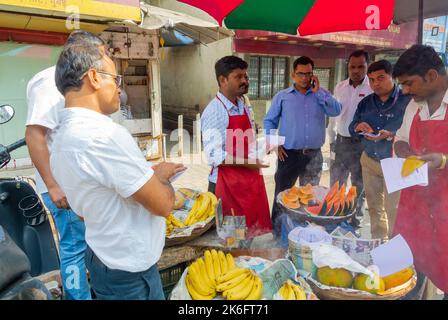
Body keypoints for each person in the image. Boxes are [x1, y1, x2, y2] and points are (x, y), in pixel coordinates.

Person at [50, 33, 184, 300]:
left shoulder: (58, 137)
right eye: (115, 78)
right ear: (94, 77)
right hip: (130, 276)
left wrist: (148, 176)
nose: (119, 89)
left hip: (102, 259)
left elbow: (86, 210)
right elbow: (163, 205)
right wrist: (164, 178)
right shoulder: (105, 135)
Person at [24, 30, 104, 300]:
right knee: (74, 247)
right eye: (100, 55)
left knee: (91, 245)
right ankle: (77, 297)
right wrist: (53, 186)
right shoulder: (48, 82)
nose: (102, 63)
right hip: (64, 188)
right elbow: (35, 134)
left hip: (83, 184)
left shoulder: (78, 83)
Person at [264, 56, 341, 239]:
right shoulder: (283, 97)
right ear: (293, 75)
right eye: (300, 74)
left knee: (310, 199)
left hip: (313, 156)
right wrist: (274, 144)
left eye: (308, 74)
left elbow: (336, 110)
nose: (305, 78)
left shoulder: (321, 95)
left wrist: (320, 92)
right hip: (288, 156)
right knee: (282, 197)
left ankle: (304, 235)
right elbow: (269, 120)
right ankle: (276, 234)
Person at [392, 45, 448, 298]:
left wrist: (444, 160)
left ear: (432, 76)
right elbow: (400, 139)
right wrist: (404, 150)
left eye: (409, 83)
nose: (405, 91)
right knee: (405, 274)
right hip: (414, 207)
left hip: (445, 209)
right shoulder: (414, 106)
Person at [201, 56, 272, 242]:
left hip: (247, 182)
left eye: (246, 76)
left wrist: (264, 146)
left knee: (248, 236)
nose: (245, 81)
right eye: (238, 77)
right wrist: (248, 162)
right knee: (230, 241)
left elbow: (246, 140)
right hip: (226, 186)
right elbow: (213, 155)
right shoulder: (214, 111)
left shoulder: (243, 104)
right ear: (222, 80)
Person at [349, 60, 411, 241]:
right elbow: (353, 125)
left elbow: (413, 132)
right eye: (372, 79)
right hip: (369, 161)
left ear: (393, 77)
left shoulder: (407, 101)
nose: (375, 83)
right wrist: (358, 126)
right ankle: (378, 243)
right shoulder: (366, 102)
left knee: (394, 210)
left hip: (395, 163)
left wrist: (391, 135)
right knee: (374, 207)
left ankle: (395, 247)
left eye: (381, 78)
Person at [328, 50, 372, 220]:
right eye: (352, 67)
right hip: (341, 142)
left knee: (358, 185)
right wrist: (331, 139)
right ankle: (334, 216)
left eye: (360, 66)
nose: (356, 70)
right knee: (336, 182)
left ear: (367, 66)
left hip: (362, 144)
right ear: (348, 67)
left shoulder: (371, 88)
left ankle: (355, 218)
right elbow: (334, 115)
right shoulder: (340, 87)